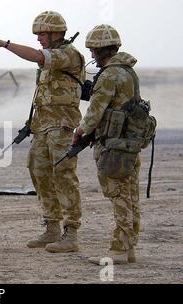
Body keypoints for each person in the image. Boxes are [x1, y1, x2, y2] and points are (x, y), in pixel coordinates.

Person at [0, 11, 84, 253]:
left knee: (64, 176)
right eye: (36, 34)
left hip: (62, 126)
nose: (38, 37)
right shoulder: (50, 60)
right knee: (38, 171)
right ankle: (52, 227)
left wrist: (4, 44)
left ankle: (71, 233)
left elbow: (38, 56)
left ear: (56, 33)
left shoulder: (67, 54)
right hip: (42, 126)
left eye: (42, 33)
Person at [74, 25, 147, 264]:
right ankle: (128, 248)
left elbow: (95, 112)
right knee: (130, 194)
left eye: (93, 50)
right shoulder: (128, 72)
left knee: (118, 196)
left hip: (114, 147)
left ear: (98, 50)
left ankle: (119, 250)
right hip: (129, 144)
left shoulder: (109, 75)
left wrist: (80, 131)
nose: (92, 55)